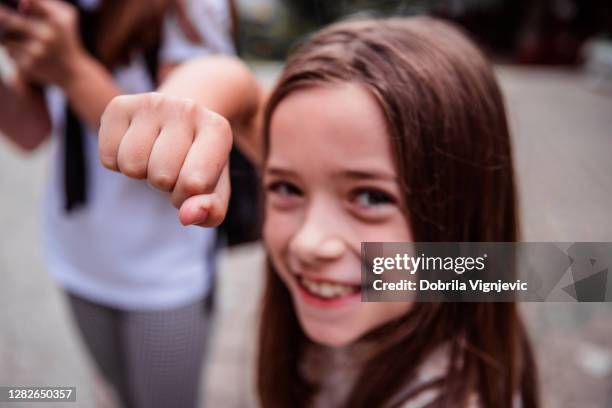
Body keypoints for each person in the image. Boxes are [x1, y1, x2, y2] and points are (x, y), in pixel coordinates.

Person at [98, 17, 540, 407]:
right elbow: (245, 92)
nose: (309, 242)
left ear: (466, 208)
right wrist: (181, 105)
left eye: (370, 197)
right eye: (287, 187)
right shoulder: (465, 276)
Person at [0, 0, 234, 407]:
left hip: (163, 273)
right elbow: (31, 132)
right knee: (122, 396)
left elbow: (174, 160)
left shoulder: (189, 9)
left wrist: (69, 67)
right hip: (78, 254)